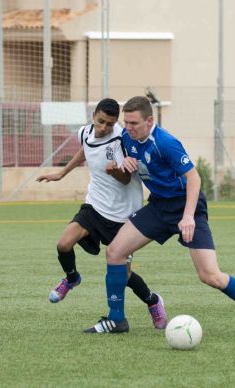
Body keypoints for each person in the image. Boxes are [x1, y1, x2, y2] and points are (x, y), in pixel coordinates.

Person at [84, 96, 235, 335]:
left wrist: (188, 216)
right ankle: (116, 319)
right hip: (159, 207)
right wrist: (125, 164)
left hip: (187, 207)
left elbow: (194, 178)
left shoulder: (166, 142)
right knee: (115, 252)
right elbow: (100, 154)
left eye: (134, 123)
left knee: (210, 275)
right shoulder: (128, 139)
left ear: (149, 121)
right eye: (126, 122)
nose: (127, 128)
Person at [37, 98, 167, 329]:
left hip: (125, 215)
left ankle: (152, 301)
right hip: (95, 207)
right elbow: (85, 150)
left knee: (124, 276)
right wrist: (61, 173)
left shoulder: (121, 139)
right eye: (100, 122)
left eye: (109, 123)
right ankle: (72, 278)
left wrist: (114, 171)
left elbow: (127, 178)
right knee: (64, 244)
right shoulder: (85, 132)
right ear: (93, 115)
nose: (104, 128)